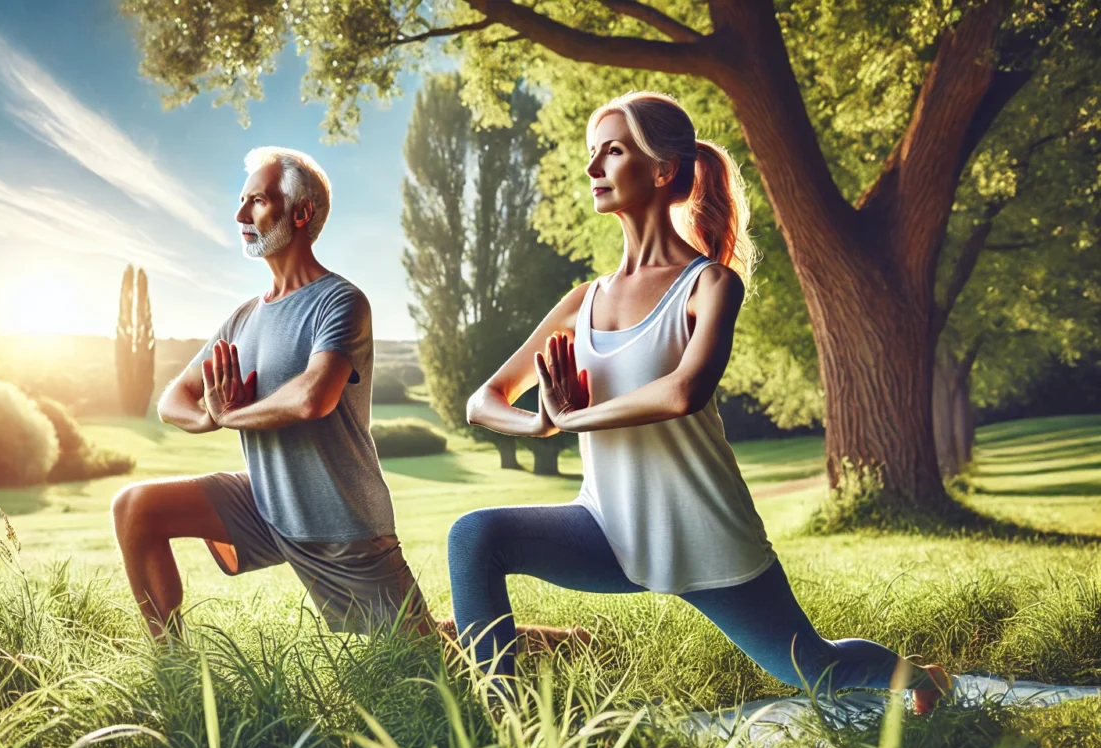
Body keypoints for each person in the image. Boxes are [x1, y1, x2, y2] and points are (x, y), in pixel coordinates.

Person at [446, 91, 952, 713]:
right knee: (475, 535)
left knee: (813, 669)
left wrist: (576, 416)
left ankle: (921, 678)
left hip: (706, 532)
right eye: (592, 154)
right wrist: (542, 425)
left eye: (613, 151)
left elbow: (684, 390)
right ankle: (506, 728)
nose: (592, 168)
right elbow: (483, 400)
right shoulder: (584, 303)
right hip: (608, 527)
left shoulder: (709, 284)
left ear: (661, 170)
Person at [112, 147, 430, 640]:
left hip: (340, 525)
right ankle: (172, 665)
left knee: (423, 661)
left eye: (257, 201)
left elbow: (312, 397)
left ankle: (554, 643)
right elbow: (175, 398)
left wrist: (233, 415)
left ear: (300, 213)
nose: (240, 215)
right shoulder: (242, 319)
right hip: (265, 504)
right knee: (135, 506)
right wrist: (210, 418)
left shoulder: (340, 301)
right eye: (242, 202)